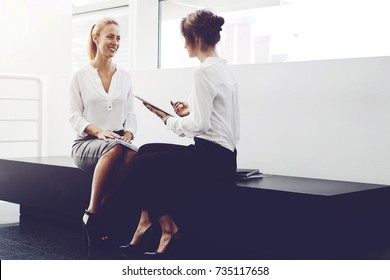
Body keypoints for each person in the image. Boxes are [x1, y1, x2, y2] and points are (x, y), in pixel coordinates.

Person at [119, 9, 240, 259]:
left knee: (141, 164)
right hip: (223, 156)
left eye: (185, 38)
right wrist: (188, 112)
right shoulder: (223, 69)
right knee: (146, 150)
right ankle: (147, 219)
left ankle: (166, 227)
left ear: (195, 37)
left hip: (211, 158)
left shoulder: (203, 71)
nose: (184, 45)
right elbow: (216, 118)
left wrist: (167, 119)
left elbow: (201, 126)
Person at [68, 17, 138, 248]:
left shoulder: (125, 76)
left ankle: (99, 212)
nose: (115, 42)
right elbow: (74, 116)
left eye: (118, 38)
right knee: (118, 148)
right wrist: (98, 132)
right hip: (87, 143)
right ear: (95, 37)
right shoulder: (80, 76)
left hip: (118, 141)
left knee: (132, 153)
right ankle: (95, 211)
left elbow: (131, 114)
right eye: (110, 36)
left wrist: (128, 134)